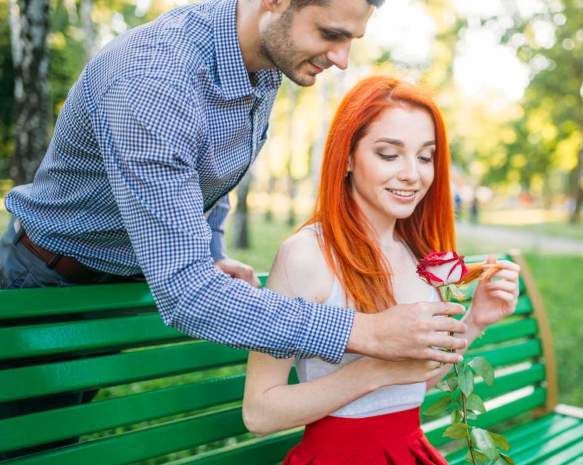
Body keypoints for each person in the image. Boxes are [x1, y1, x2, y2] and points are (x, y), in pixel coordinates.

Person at [0, 0, 468, 458]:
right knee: (35, 448)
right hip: (48, 285)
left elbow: (211, 169)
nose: (342, 59)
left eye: (351, 38)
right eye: (330, 34)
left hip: (119, 285)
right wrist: (366, 332)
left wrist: (212, 251)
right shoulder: (153, 82)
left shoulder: (264, 60)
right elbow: (189, 296)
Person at [242, 76, 521, 464]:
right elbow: (260, 412)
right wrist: (375, 370)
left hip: (407, 451)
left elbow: (412, 386)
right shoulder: (306, 255)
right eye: (389, 154)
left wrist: (476, 320)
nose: (412, 173)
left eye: (425, 157)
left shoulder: (415, 253)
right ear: (349, 158)